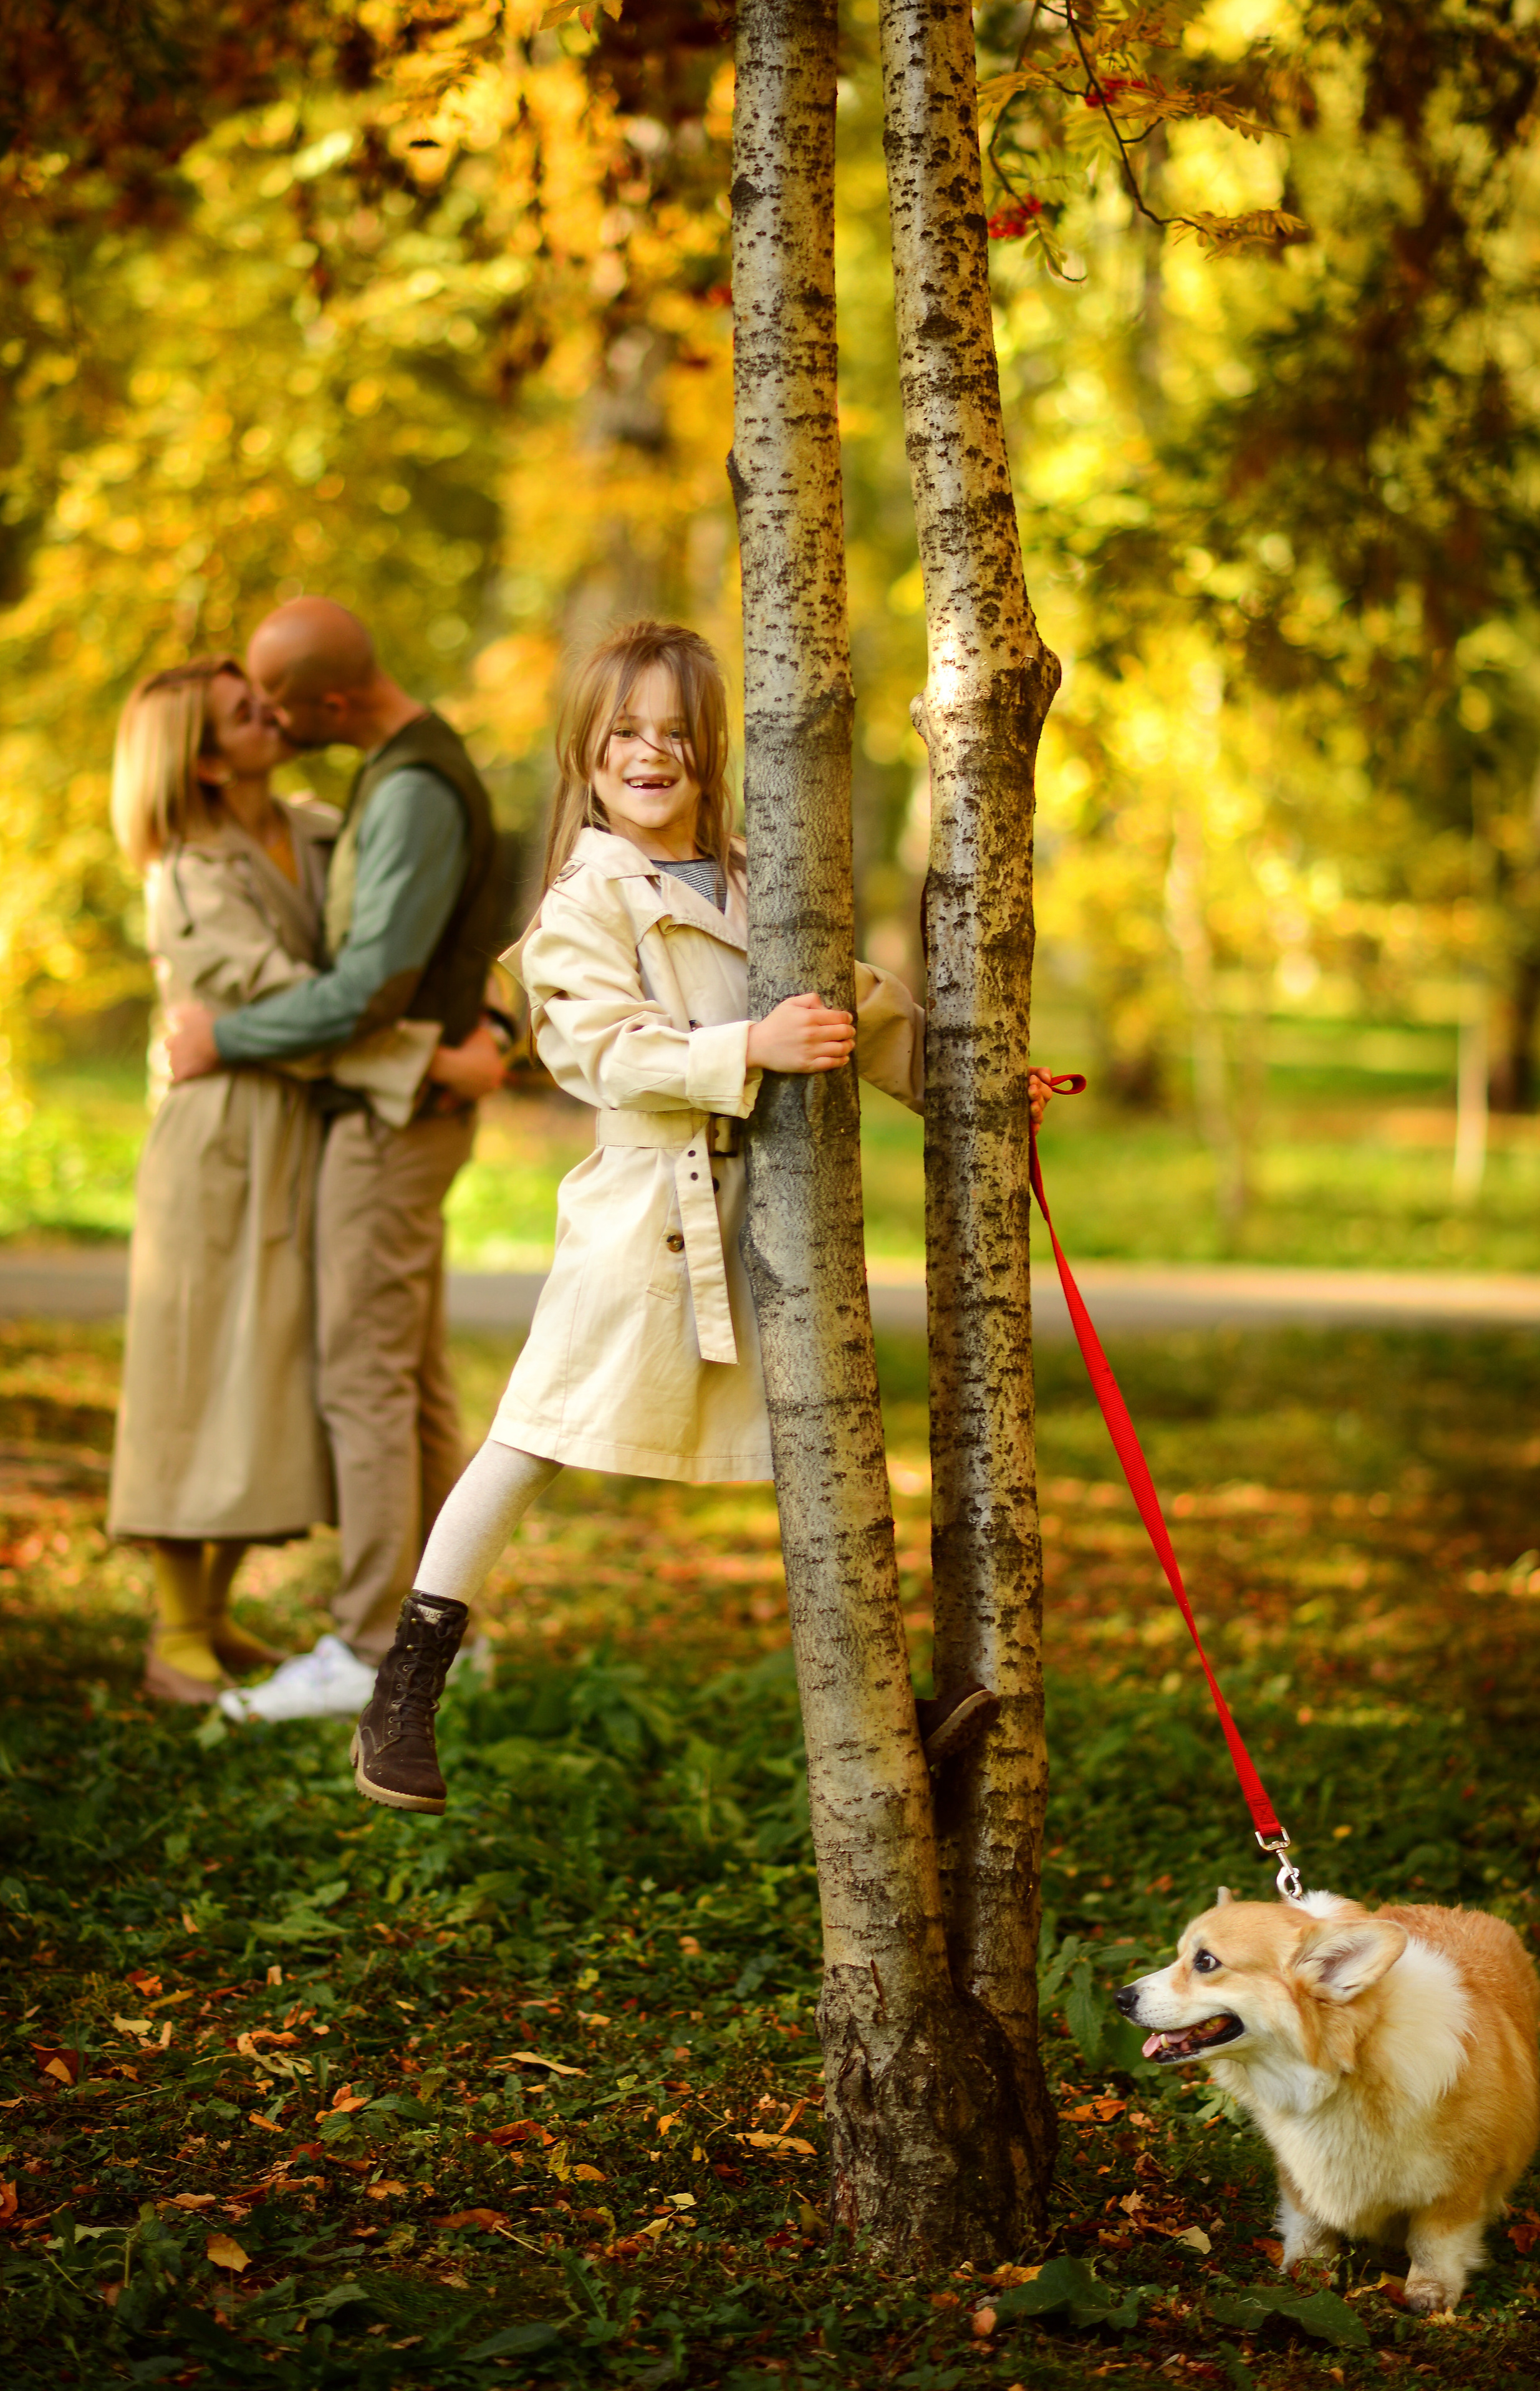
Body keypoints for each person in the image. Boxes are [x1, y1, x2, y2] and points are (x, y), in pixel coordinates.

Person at [346, 619, 1060, 1815]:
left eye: (676, 731)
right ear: (589, 747)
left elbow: (861, 1011)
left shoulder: (752, 869)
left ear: (712, 748)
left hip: (776, 1217)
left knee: (825, 1457)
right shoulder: (583, 899)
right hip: (647, 1213)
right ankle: (405, 1689)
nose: (650, 751)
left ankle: (886, 1716)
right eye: (626, 729)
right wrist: (751, 1046)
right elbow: (606, 1051)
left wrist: (975, 1084)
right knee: (535, 1433)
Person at [165, 601, 510, 1722]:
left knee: (366, 1383)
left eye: (275, 702)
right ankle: (444, 1636)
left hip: (392, 1126)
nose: (266, 718)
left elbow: (371, 988)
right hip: (404, 1112)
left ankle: (374, 1648)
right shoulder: (401, 769)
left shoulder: (411, 787)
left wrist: (223, 1036)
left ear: (329, 702)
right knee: (406, 1389)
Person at [107, 656, 460, 1701]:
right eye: (244, 712)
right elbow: (294, 1003)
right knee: (196, 1373)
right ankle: (176, 1631)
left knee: (263, 1379)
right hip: (220, 1144)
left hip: (305, 1128)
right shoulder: (186, 868)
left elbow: (365, 974)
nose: (275, 710)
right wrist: (432, 1064)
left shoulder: (312, 826)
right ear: (205, 761)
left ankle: (215, 1614)